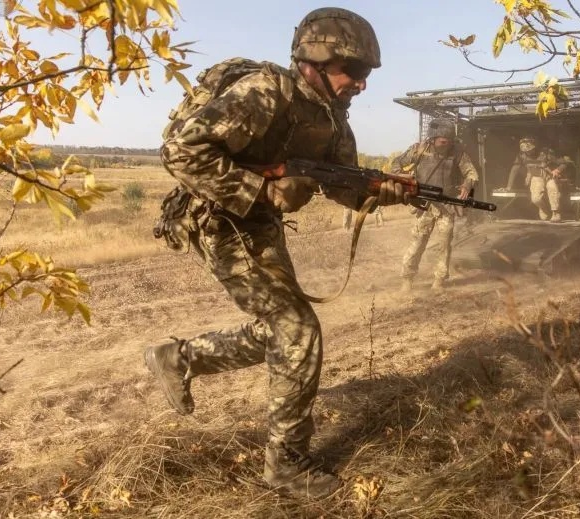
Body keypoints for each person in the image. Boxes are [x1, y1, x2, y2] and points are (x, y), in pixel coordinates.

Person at [144, 7, 407, 499]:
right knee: (296, 328)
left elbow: (344, 185)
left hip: (256, 225)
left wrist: (381, 192)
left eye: (367, 74)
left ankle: (178, 357)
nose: (361, 84)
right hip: (217, 218)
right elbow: (180, 151)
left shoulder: (332, 118)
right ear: (316, 59)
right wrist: (261, 192)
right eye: (355, 71)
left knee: (284, 329)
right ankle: (285, 464)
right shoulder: (266, 93)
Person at [390, 118, 478, 291]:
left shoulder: (458, 151)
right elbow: (396, 164)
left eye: (449, 142)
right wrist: (404, 179)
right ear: (433, 138)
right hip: (423, 204)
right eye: (443, 142)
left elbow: (472, 173)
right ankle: (407, 279)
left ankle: (439, 280)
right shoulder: (419, 149)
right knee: (418, 243)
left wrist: (467, 185)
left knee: (445, 245)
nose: (446, 145)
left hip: (446, 205)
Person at [508, 136, 568, 222]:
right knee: (535, 198)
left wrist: (557, 170)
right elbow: (514, 169)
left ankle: (556, 213)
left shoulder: (546, 153)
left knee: (552, 188)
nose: (528, 153)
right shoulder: (521, 156)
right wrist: (509, 186)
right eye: (525, 151)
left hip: (550, 176)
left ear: (534, 147)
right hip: (536, 177)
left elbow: (563, 163)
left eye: (529, 150)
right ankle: (544, 209)